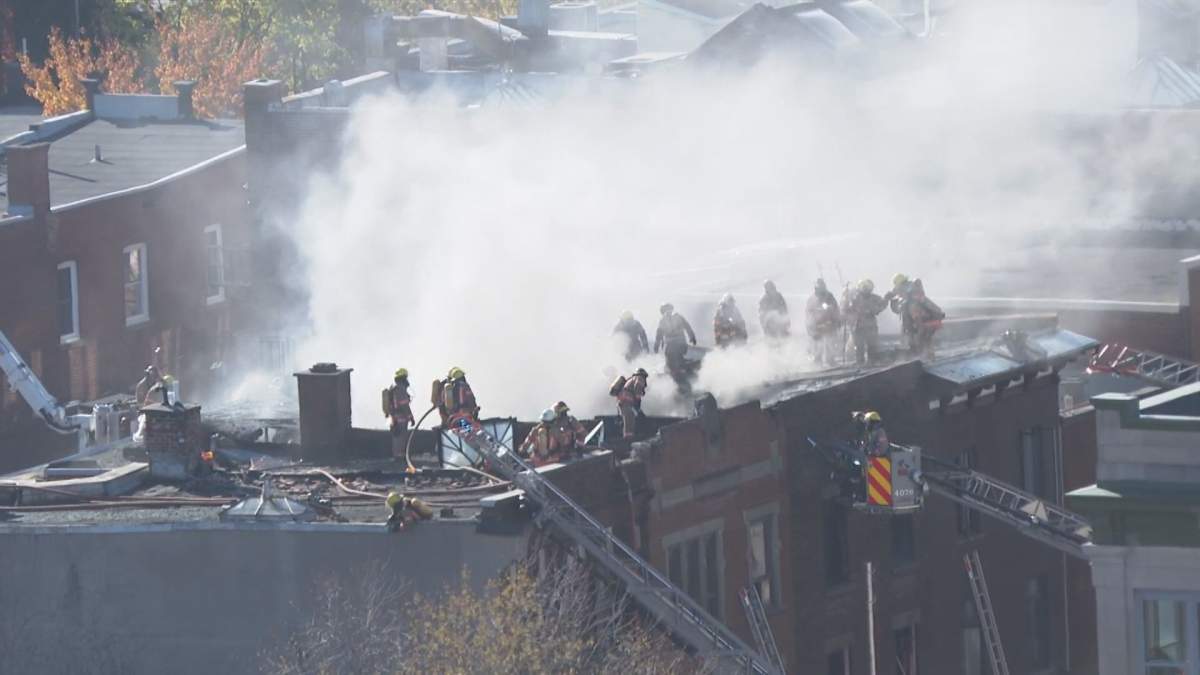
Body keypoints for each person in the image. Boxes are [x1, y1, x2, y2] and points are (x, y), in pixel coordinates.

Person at [845, 279, 888, 365]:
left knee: (872, 345)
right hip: (858, 326)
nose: (866, 289)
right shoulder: (854, 297)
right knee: (859, 346)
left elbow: (882, 305)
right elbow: (847, 308)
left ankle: (871, 361)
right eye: (864, 287)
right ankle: (860, 362)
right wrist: (846, 296)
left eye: (867, 287)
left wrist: (884, 301)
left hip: (870, 326)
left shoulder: (874, 298)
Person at [653, 303, 697, 377]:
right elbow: (687, 326)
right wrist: (692, 337)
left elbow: (659, 334)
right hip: (682, 344)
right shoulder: (679, 316)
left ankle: (673, 372)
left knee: (669, 360)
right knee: (678, 357)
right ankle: (684, 368)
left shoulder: (662, 320)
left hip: (670, 346)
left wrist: (656, 346)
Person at [805, 279, 841, 365]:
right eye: (818, 288)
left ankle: (830, 360)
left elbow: (835, 308)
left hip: (829, 323)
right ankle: (818, 361)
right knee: (817, 345)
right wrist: (810, 326)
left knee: (830, 343)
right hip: (817, 325)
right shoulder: (812, 299)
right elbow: (808, 312)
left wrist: (837, 320)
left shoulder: (829, 296)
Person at [383, 368, 415, 458]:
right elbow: (404, 405)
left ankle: (398, 455)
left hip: (394, 417)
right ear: (403, 378)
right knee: (400, 437)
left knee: (397, 436)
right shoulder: (400, 389)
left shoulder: (394, 388)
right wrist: (411, 417)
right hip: (400, 418)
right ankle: (399, 457)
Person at [615, 367, 648, 440]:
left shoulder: (631, 379)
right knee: (629, 417)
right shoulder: (639, 378)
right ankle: (628, 438)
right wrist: (638, 402)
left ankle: (627, 435)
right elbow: (638, 388)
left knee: (630, 416)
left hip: (623, 400)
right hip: (626, 400)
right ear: (643, 375)